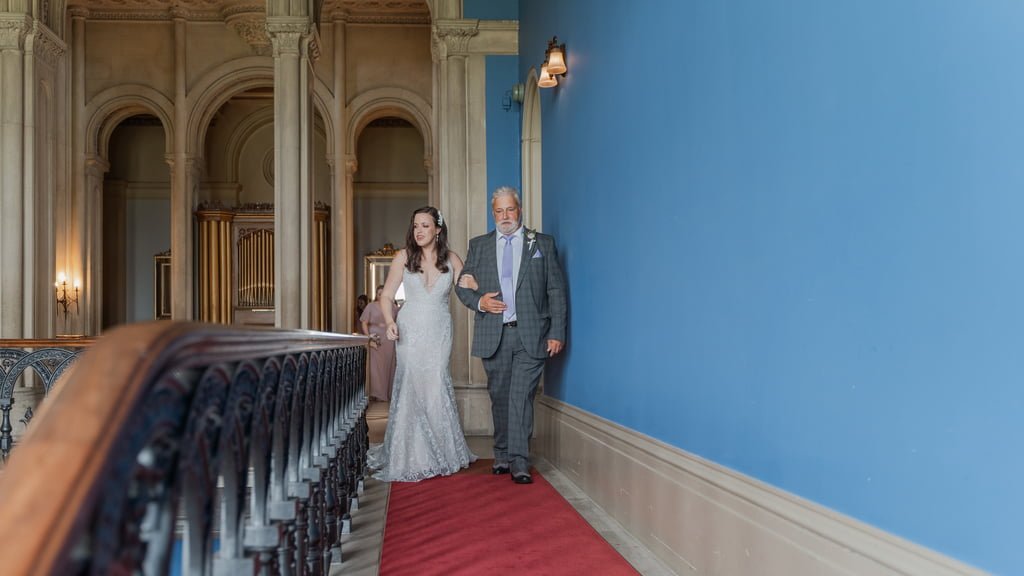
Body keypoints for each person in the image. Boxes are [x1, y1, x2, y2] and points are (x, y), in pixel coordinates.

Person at [455, 186, 567, 484]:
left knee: (521, 397)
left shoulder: (541, 243)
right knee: (500, 397)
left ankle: (519, 459)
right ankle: (502, 453)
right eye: (499, 211)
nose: (505, 216)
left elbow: (555, 290)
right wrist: (480, 301)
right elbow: (462, 286)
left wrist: (557, 331)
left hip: (532, 334)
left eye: (510, 209)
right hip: (494, 334)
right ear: (493, 214)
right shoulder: (478, 246)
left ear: (520, 210)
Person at [367, 206, 477, 481]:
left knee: (437, 382)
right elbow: (387, 296)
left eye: (425, 225)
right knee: (412, 386)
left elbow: (468, 290)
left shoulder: (452, 259)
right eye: (415, 225)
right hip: (410, 330)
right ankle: (410, 455)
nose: (419, 230)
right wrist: (390, 321)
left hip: (439, 330)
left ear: (438, 229)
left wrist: (476, 285)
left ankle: (443, 451)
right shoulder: (403, 257)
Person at [360, 286, 396, 401]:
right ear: (376, 294)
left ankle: (386, 393)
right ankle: (376, 393)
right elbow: (364, 322)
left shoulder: (393, 307)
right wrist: (368, 336)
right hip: (375, 339)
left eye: (383, 293)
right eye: (379, 294)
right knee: (375, 367)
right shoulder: (371, 306)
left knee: (387, 365)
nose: (381, 296)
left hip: (389, 340)